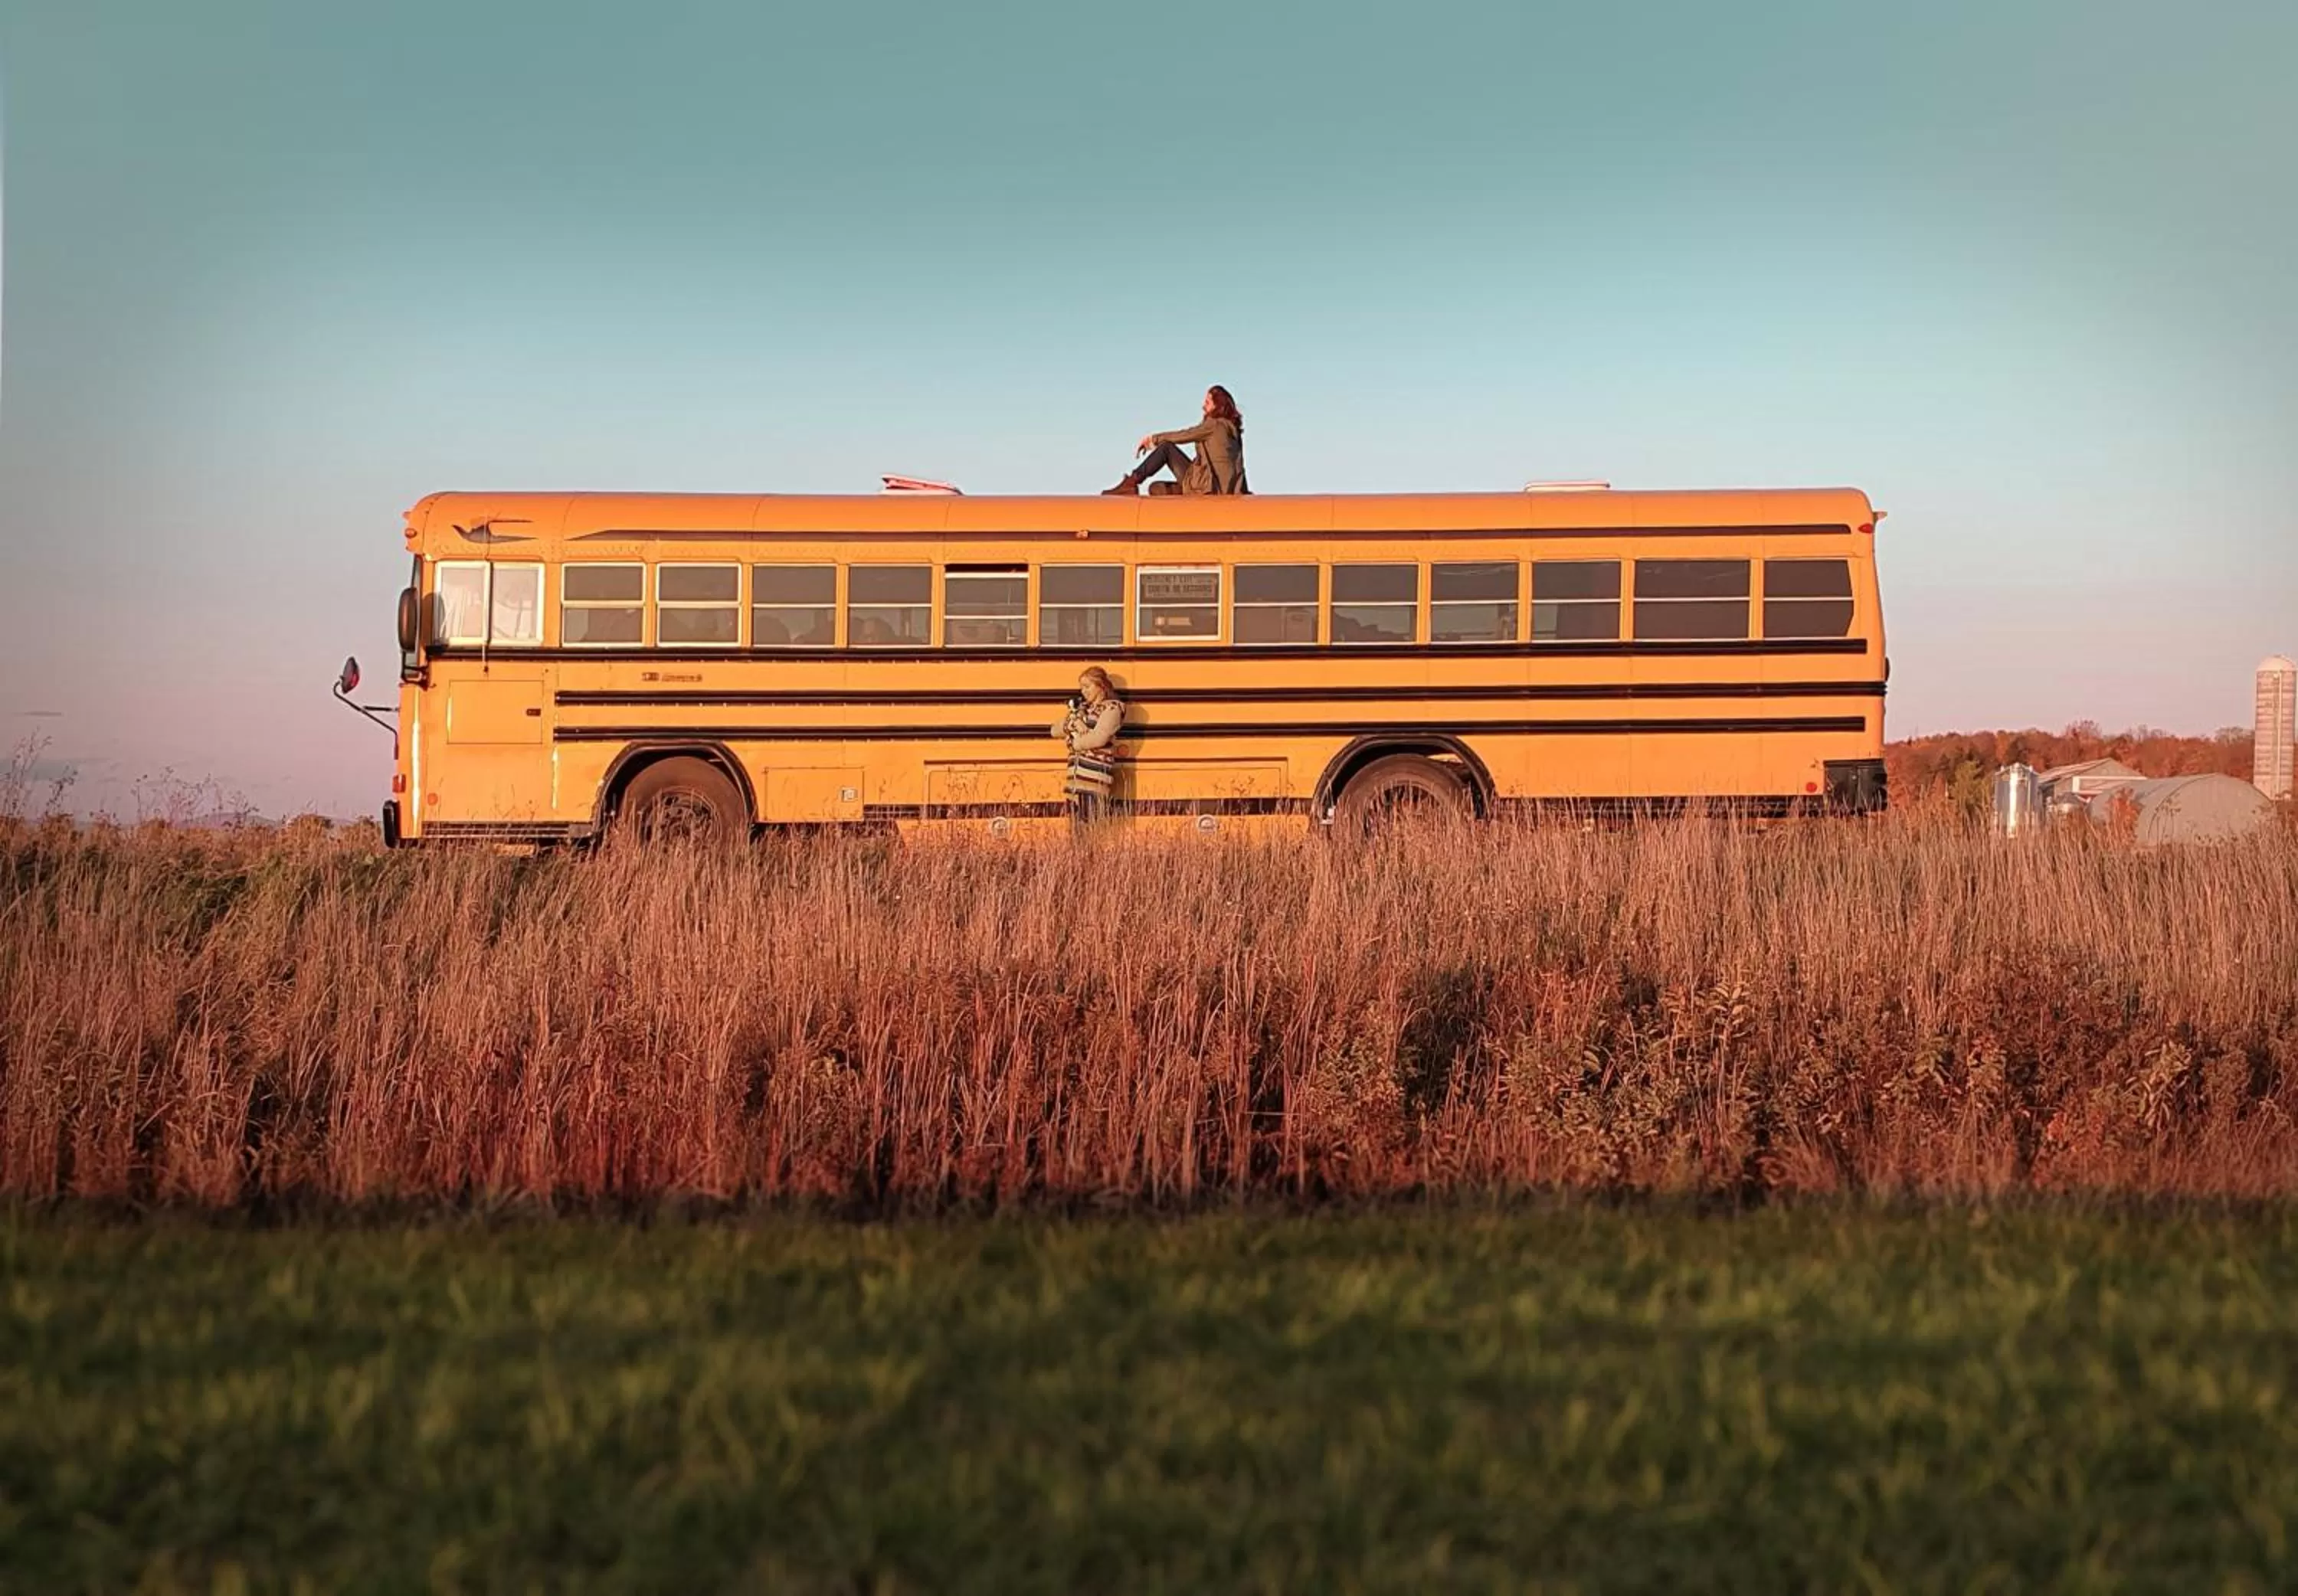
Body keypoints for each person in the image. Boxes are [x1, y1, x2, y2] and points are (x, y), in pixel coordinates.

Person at [1105, 386, 1249, 496]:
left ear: (1218, 406)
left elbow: (1185, 435)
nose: (1203, 406)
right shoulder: (1234, 432)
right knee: (1156, 488)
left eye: (1208, 402)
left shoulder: (1214, 425)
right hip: (1223, 489)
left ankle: (1131, 483)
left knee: (1167, 448)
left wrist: (1153, 440)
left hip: (1209, 487)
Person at [1052, 667, 1126, 824]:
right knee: (1076, 831)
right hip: (1075, 781)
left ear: (1101, 686)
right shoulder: (1082, 709)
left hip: (1094, 780)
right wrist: (1072, 725)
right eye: (1081, 688)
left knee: (1090, 828)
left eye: (1087, 687)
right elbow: (1055, 730)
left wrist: (1073, 743)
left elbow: (1099, 738)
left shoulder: (1112, 709)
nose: (1083, 692)